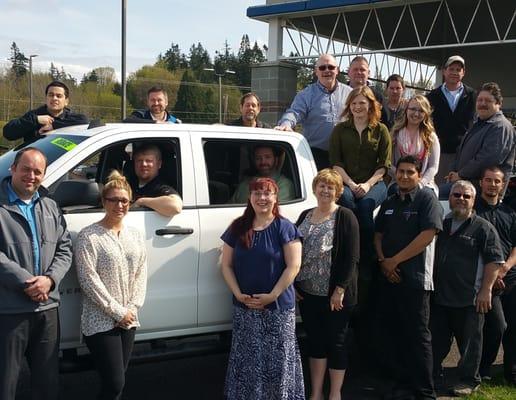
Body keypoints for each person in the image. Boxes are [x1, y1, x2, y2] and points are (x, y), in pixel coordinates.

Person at [220, 177, 304, 399]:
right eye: (257, 193)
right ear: (250, 197)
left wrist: (272, 295)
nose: (262, 198)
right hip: (245, 308)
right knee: (247, 361)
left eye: (267, 193)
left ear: (276, 198)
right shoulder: (238, 227)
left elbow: (294, 266)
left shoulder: (285, 227)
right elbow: (225, 265)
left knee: (277, 362)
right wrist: (237, 293)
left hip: (276, 308)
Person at [0, 147, 73, 400]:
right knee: (5, 385)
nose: (31, 175)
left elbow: (65, 248)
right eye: (26, 169)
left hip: (47, 310)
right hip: (9, 311)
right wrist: (28, 283)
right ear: (13, 169)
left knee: (47, 385)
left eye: (37, 171)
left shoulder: (51, 206)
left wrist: (50, 280)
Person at [374, 155, 443, 400]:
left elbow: (427, 235)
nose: (404, 176)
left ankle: (425, 391)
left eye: (409, 172)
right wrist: (384, 262)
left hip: (415, 280)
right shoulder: (390, 201)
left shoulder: (427, 199)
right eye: (400, 171)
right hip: (389, 278)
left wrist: (395, 261)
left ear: (418, 174)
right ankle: (402, 385)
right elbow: (378, 235)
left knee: (418, 336)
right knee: (395, 334)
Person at [75, 170, 147, 400]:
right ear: (103, 201)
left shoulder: (134, 235)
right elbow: (88, 280)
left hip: (128, 319)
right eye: (113, 199)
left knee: (117, 384)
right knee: (115, 383)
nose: (119, 205)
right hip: (100, 320)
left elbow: (141, 273)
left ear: (130, 203)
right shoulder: (89, 236)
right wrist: (117, 311)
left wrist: (132, 309)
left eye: (124, 200)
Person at [431, 180, 504, 396]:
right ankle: (434, 376)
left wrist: (486, 290)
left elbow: (493, 261)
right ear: (450, 198)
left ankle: (469, 380)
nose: (461, 199)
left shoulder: (483, 228)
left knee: (470, 344)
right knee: (436, 342)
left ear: (473, 200)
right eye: (456, 195)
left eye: (466, 196)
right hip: (440, 297)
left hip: (470, 299)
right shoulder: (441, 224)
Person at [295, 169, 359, 400]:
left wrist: (339, 289)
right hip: (307, 293)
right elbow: (292, 251)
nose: (325, 190)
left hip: (336, 296)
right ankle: (316, 393)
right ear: (314, 189)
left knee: (337, 342)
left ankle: (334, 394)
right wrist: (293, 284)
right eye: (321, 186)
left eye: (330, 187)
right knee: (316, 342)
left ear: (338, 192)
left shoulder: (345, 216)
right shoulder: (304, 215)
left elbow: (351, 257)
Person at [329, 85, 391, 283]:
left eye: (362, 103)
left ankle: (366, 258)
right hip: (346, 180)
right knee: (347, 201)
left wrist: (367, 185)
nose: (357, 107)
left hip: (375, 182)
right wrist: (351, 183)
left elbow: (384, 166)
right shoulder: (340, 130)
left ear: (371, 105)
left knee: (365, 206)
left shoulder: (381, 130)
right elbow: (336, 163)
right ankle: (347, 253)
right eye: (354, 103)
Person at [475, 167, 516, 385]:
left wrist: (505, 268)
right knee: (497, 326)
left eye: (497, 181)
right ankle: (483, 368)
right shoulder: (473, 211)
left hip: (509, 277)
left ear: (503, 185)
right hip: (485, 279)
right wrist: (492, 273)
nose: (492, 185)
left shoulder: (510, 213)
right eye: (488, 180)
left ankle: (511, 373)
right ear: (481, 183)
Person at [275, 54, 353, 170]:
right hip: (315, 156)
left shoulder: (350, 94)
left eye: (331, 67)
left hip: (345, 156)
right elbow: (294, 112)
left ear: (337, 70)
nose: (327, 70)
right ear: (316, 72)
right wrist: (286, 124)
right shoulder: (306, 95)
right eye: (322, 68)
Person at [442, 82, 515, 197]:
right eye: (480, 100)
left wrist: (460, 174)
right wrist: (454, 171)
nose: (482, 104)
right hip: (463, 184)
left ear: (498, 104)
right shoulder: (478, 124)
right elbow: (460, 151)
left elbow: (488, 159)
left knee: (435, 197)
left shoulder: (500, 127)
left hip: (482, 192)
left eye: (488, 100)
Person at [426, 56, 476, 183]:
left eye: (458, 69)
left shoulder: (473, 96)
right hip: (439, 153)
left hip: (464, 155)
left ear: (463, 73)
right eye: (451, 69)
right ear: (444, 71)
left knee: (460, 192)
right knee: (439, 190)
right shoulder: (432, 96)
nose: (454, 72)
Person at [3, 81, 89, 143]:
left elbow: (84, 121)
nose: (54, 98)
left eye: (59, 96)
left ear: (66, 101)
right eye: (51, 95)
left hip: (64, 164)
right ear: (46, 98)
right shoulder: (34, 116)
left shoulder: (72, 119)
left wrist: (53, 125)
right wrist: (36, 120)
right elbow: (8, 133)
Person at [389, 95, 440, 195]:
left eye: (421, 111)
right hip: (398, 181)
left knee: (426, 196)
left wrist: (420, 183)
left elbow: (433, 167)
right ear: (406, 110)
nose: (416, 114)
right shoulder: (395, 134)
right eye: (413, 109)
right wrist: (403, 178)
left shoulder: (431, 137)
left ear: (426, 114)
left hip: (424, 183)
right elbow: (388, 164)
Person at [128, 144, 183, 217]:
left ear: (159, 164)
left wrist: (141, 201)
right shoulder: (129, 184)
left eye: (149, 161)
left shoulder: (160, 187)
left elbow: (175, 206)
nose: (143, 164)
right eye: (139, 160)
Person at [230, 145, 295, 203]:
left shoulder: (284, 184)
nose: (263, 162)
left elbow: (277, 212)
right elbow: (230, 206)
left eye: (267, 157)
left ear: (276, 159)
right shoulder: (245, 183)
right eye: (258, 158)